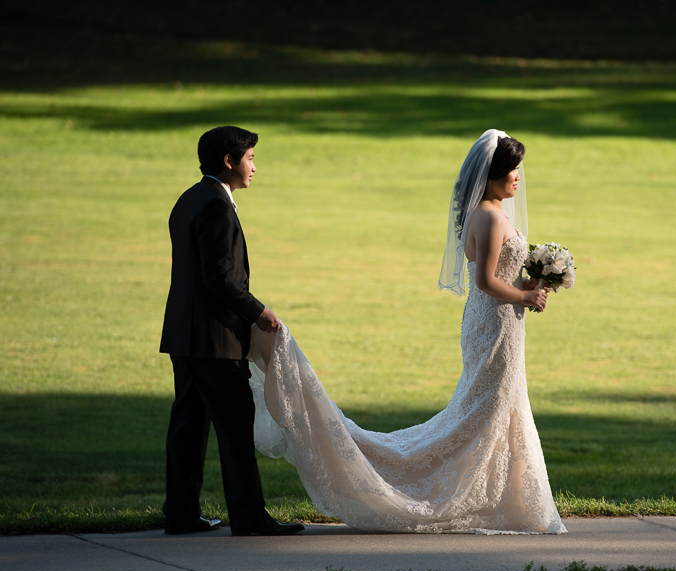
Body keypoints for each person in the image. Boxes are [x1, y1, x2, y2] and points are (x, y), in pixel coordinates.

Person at [248, 129, 566, 534]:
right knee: (487, 407)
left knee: (496, 405)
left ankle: (509, 496)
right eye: (512, 169)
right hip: (494, 324)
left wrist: (534, 283)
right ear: (491, 174)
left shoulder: (493, 213)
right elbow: (486, 281)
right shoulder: (487, 217)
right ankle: (431, 486)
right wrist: (524, 298)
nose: (518, 177)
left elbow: (500, 276)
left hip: (499, 321)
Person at [159, 126, 304, 536]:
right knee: (236, 425)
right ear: (230, 161)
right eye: (251, 158)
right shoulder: (217, 207)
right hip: (215, 337)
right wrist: (258, 312)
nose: (255, 165)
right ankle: (249, 516)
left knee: (188, 425)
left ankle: (182, 515)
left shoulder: (190, 198)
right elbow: (219, 278)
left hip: (185, 336)